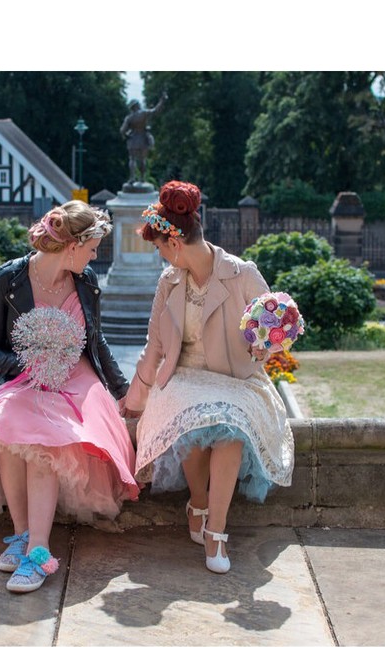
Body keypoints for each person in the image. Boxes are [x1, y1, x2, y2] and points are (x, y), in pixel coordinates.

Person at [0, 201, 139, 594]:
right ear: (72, 246)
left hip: (75, 380)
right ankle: (23, 534)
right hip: (20, 377)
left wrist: (122, 389)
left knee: (43, 442)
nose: (95, 256)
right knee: (10, 427)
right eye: (92, 248)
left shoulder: (86, 280)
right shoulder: (7, 279)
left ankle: (39, 554)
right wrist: (31, 366)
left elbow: (95, 340)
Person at [122, 181, 294, 574]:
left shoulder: (242, 274)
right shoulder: (168, 283)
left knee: (230, 428)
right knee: (193, 420)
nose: (161, 257)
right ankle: (197, 503)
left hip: (234, 380)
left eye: (160, 248)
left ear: (174, 244)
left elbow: (270, 327)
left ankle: (216, 531)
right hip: (184, 377)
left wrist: (265, 348)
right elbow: (155, 347)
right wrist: (134, 400)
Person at [120, 92, 167, 184]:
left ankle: (132, 177)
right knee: (142, 160)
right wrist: (162, 100)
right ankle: (142, 178)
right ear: (137, 105)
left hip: (132, 139)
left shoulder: (129, 118)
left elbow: (122, 130)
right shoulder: (144, 113)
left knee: (132, 159)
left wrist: (127, 135)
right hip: (143, 138)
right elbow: (155, 111)